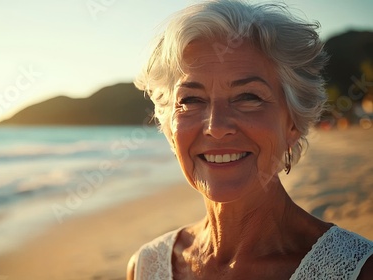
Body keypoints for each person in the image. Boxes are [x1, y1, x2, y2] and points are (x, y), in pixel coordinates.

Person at [126, 1, 373, 279]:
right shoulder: (147, 265)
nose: (216, 127)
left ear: (293, 123)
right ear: (170, 128)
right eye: (191, 100)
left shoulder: (359, 270)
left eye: (248, 97)